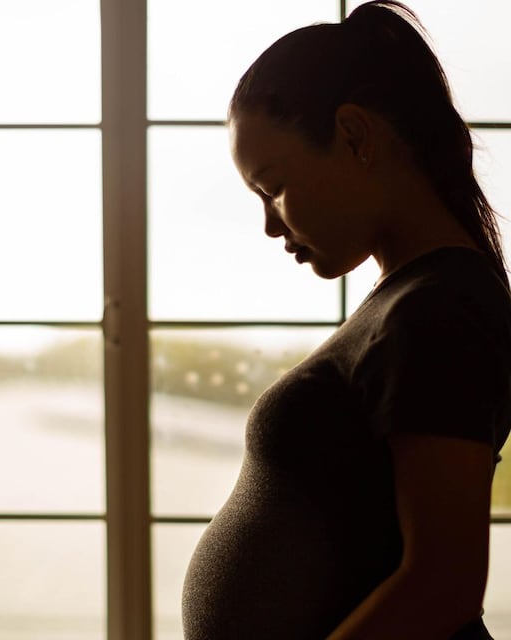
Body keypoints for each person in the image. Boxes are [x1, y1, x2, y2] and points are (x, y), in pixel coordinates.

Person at [181, 2, 511, 638]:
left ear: (355, 136)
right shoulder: (410, 300)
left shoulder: (442, 309)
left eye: (272, 187)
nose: (271, 225)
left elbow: (442, 584)